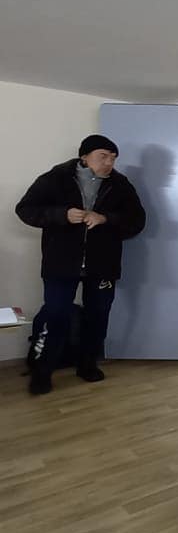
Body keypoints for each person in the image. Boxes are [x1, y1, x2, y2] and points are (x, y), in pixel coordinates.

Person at [16, 134, 146, 395]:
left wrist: (106, 218)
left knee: (98, 315)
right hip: (60, 263)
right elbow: (25, 209)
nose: (109, 163)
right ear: (84, 157)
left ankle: (87, 365)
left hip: (103, 265)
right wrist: (62, 215)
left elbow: (137, 220)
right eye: (103, 157)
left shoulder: (120, 184)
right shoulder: (56, 178)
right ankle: (43, 372)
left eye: (113, 158)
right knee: (55, 315)